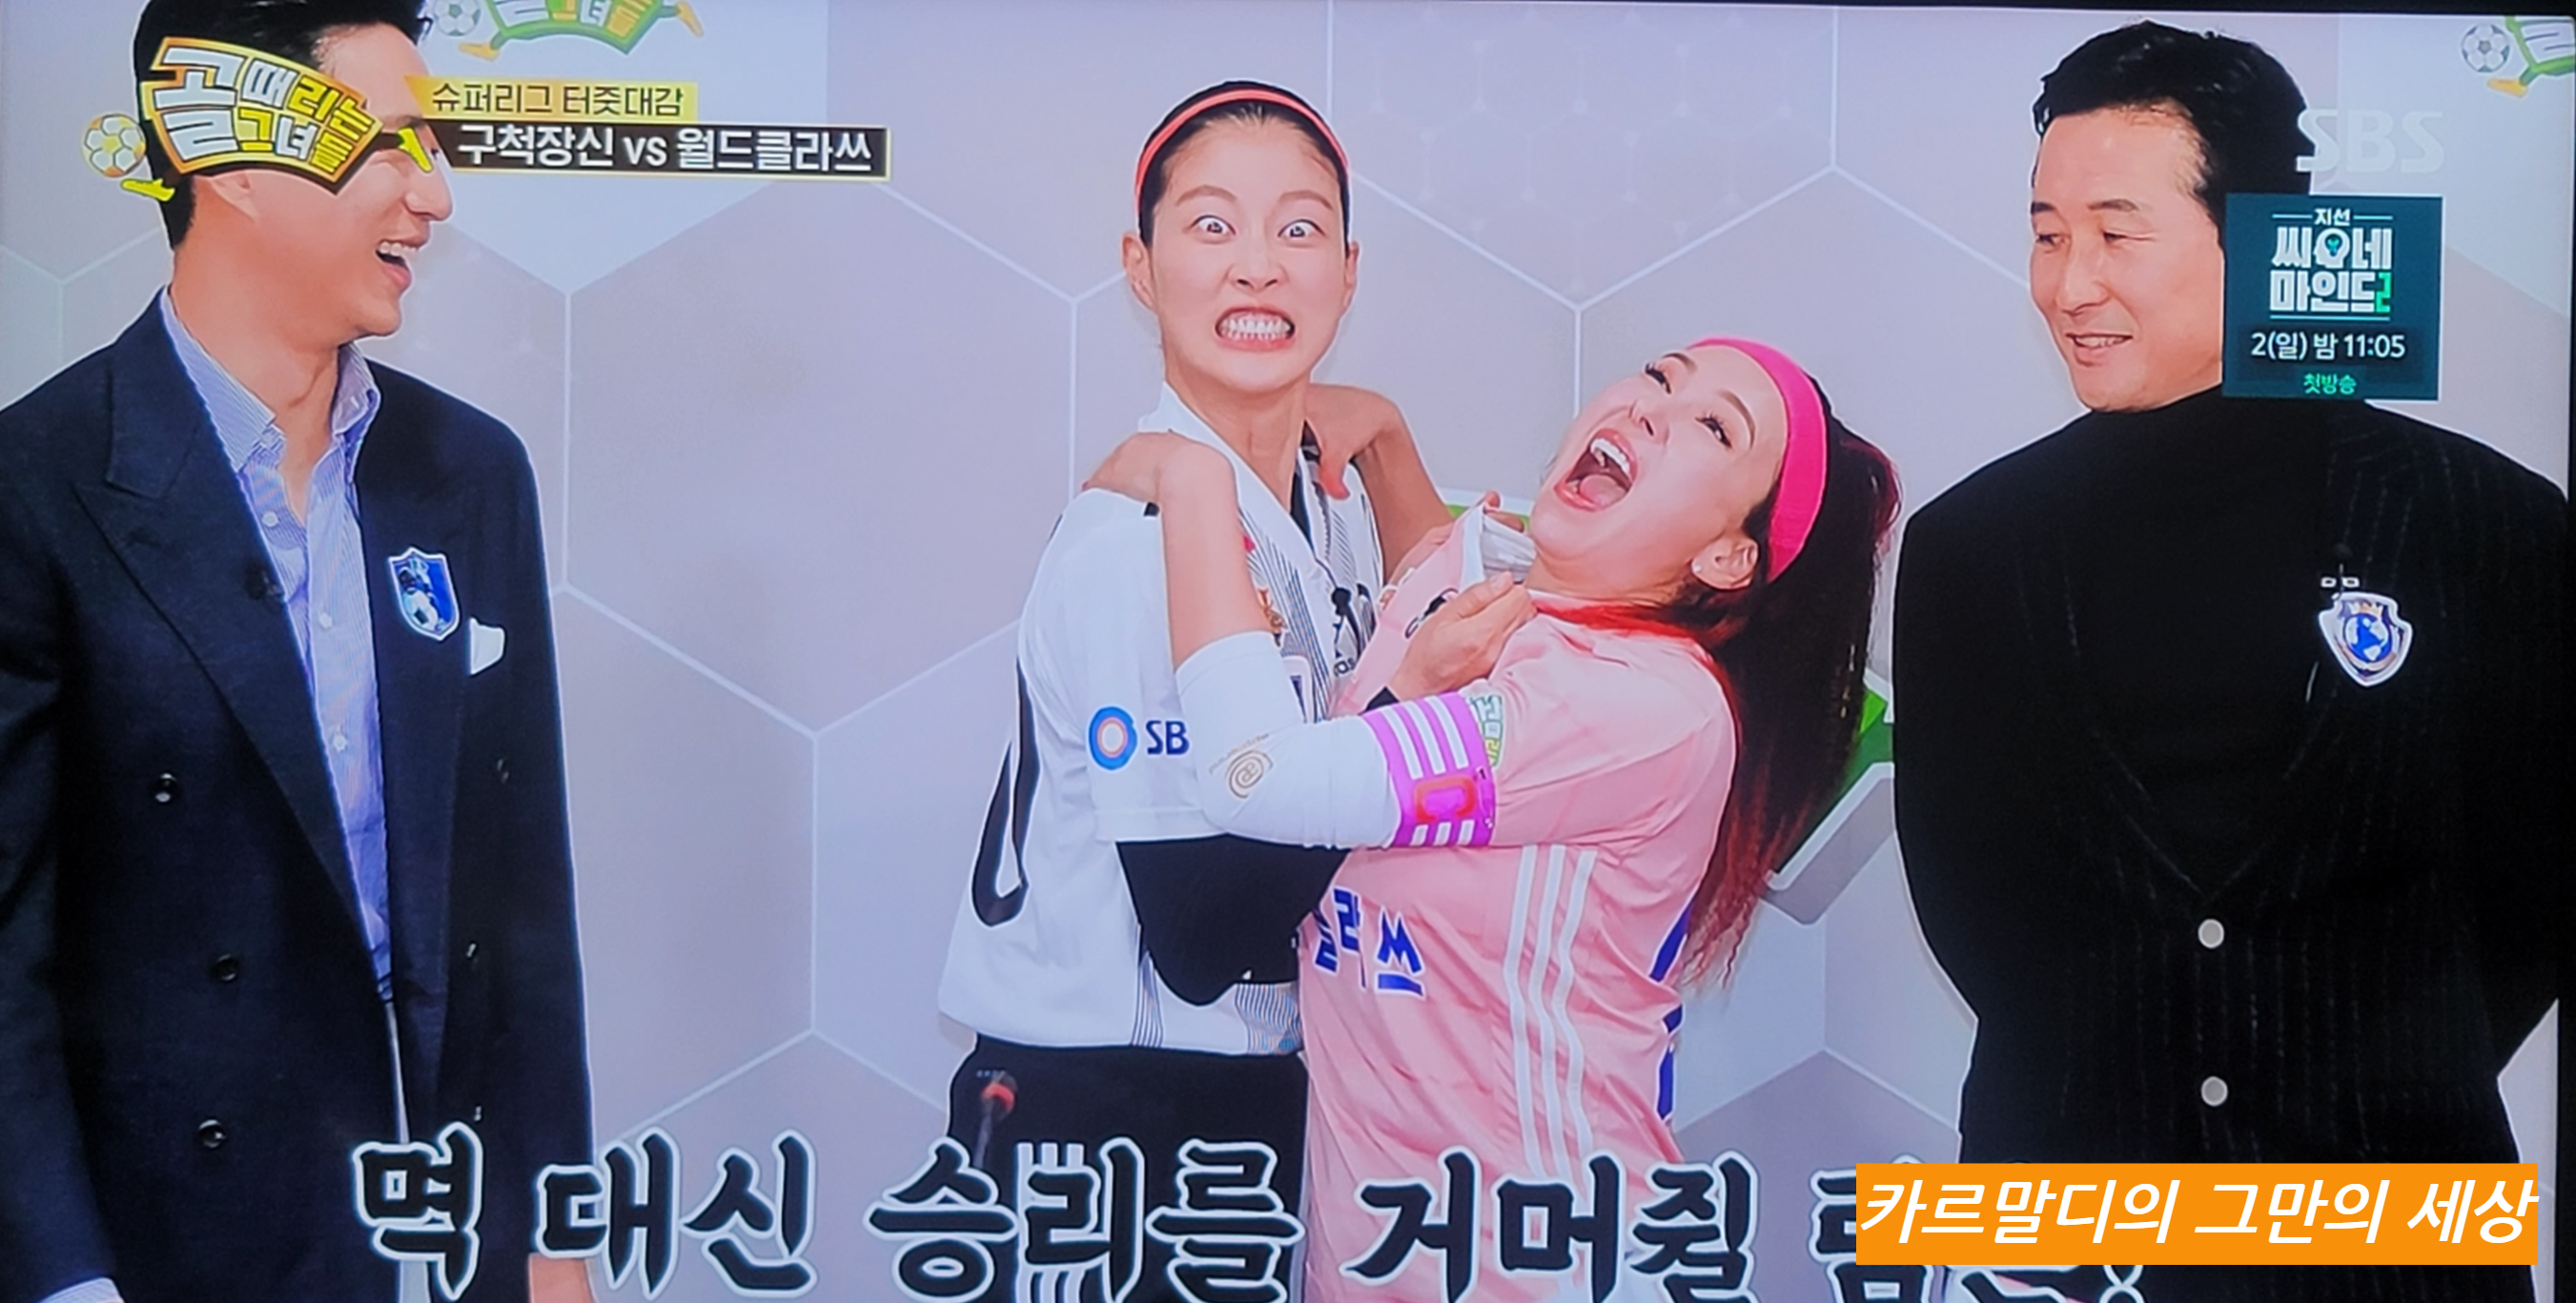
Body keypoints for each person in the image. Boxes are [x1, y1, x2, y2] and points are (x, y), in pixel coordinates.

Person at [1892, 21, 2565, 1302]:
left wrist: (2361, 1070)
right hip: (2065, 1218)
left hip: (2387, 1216)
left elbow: (2531, 882)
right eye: (2046, 234)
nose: (2069, 284)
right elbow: (1969, 892)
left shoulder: (2489, 522)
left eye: (2116, 233)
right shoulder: (1969, 544)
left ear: (2257, 236)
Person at [1087, 336, 1900, 1301]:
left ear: (1727, 556)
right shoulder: (1481, 587)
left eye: (1715, 428)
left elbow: (1253, 777)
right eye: (1658, 376)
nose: (1650, 408)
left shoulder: (1640, 706)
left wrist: (1195, 488)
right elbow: (1434, 566)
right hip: (1371, 1264)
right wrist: (1386, 439)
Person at [0, 2, 592, 1301]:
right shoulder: (39, 483)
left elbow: (519, 898)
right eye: (387, 145)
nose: (431, 194)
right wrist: (64, 1278)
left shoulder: (467, 470)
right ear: (228, 155)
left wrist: (554, 1230)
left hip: (436, 1223)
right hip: (167, 1241)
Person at [931, 81, 1450, 1302]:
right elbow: (1202, 937)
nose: (1256, 265)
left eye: (1298, 228)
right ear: (1140, 265)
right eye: (1211, 225)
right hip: (1100, 1111)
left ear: (1348, 271)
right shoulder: (1140, 537)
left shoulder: (1320, 506)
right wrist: (1401, 718)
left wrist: (1385, 436)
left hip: (1258, 1099)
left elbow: (1456, 595)